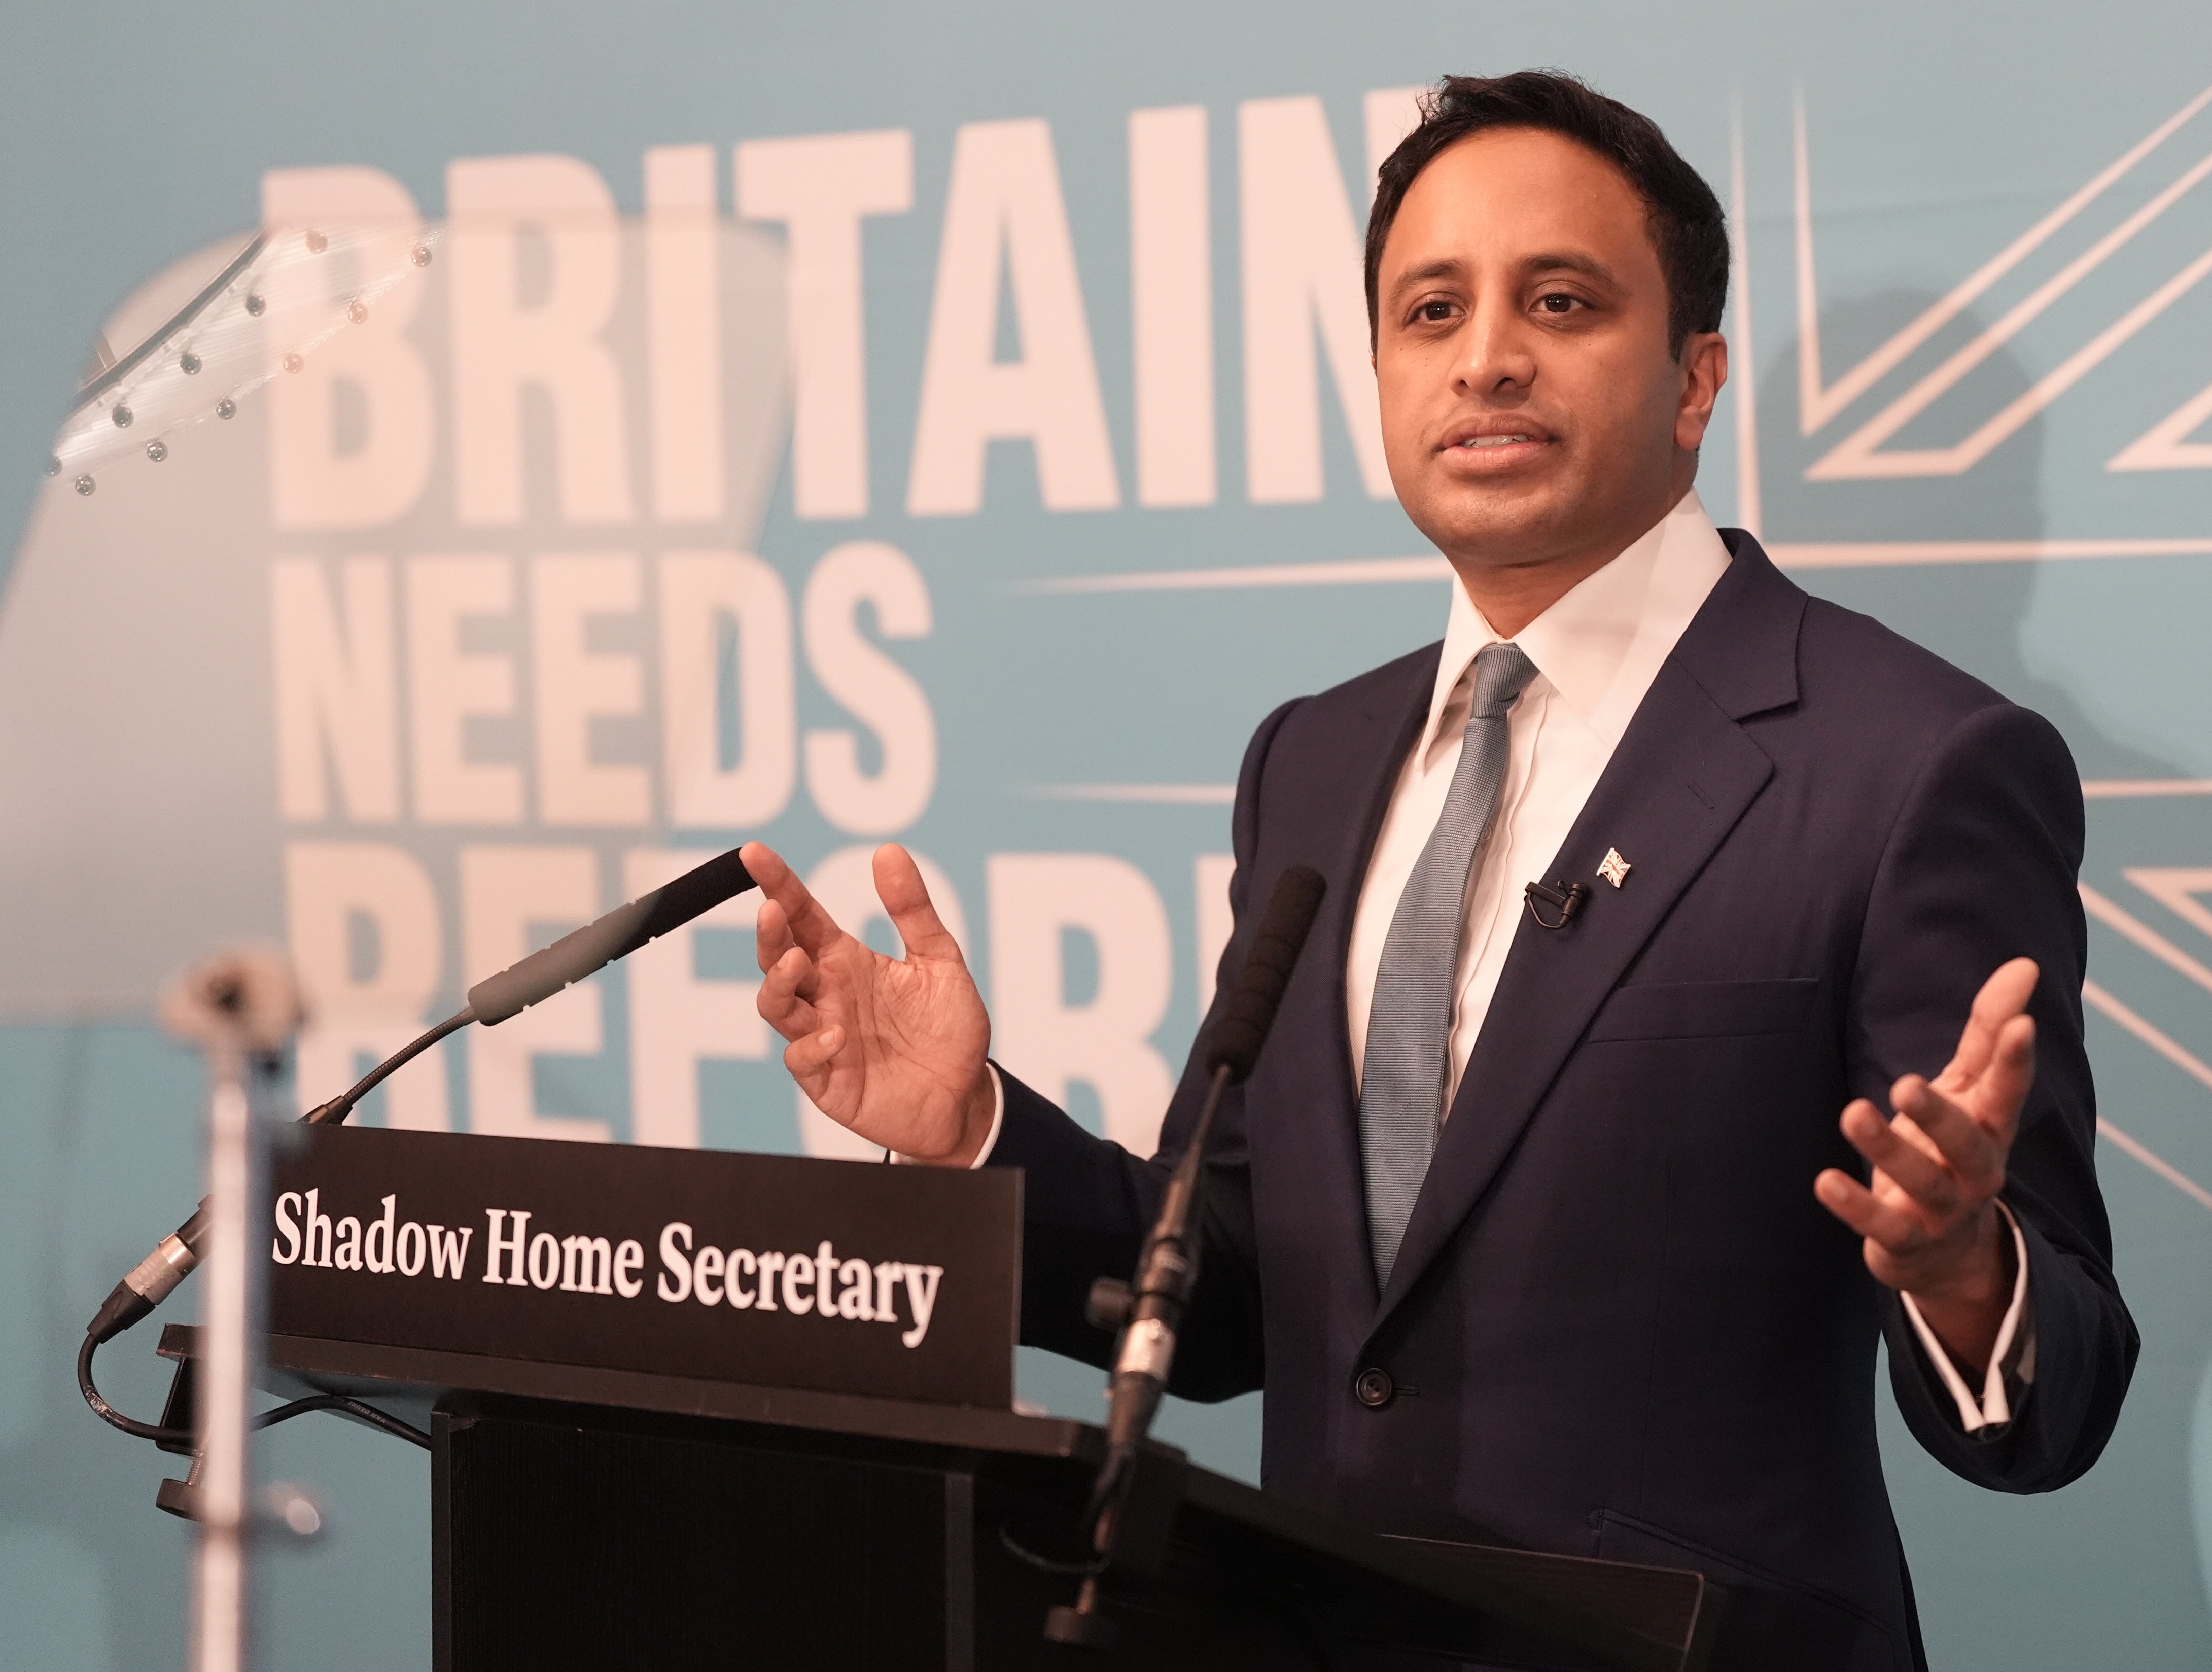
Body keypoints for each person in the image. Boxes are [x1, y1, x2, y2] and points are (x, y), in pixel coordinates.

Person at [743, 71, 2136, 1671]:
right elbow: (1236, 1285)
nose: (1485, 359)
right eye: (1430, 311)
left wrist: (1963, 1266)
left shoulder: (1911, 763)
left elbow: (2061, 1395)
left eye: (1561, 301)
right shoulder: (1313, 761)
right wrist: (975, 1131)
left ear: (1695, 379)